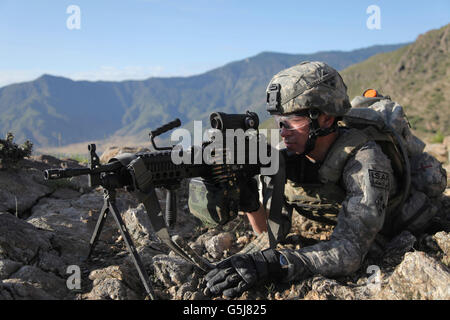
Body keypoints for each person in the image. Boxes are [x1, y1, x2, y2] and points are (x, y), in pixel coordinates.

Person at [205, 61, 400, 298]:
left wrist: (275, 265)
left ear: (326, 119)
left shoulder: (365, 160)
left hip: (396, 223)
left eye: (292, 121)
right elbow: (271, 231)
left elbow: (350, 253)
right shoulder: (289, 155)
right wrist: (250, 203)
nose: (283, 132)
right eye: (279, 122)